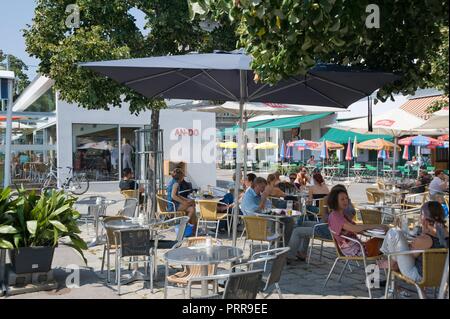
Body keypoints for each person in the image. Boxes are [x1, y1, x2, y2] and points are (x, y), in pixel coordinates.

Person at [380, 201, 448, 283]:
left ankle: (390, 261)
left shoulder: (425, 239)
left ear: (424, 218)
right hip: (441, 276)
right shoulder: (445, 234)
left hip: (418, 276)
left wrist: (418, 236)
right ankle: (391, 262)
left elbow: (409, 256)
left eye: (421, 215)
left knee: (394, 232)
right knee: (398, 243)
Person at [287, 184, 354, 263]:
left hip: (326, 231)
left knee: (297, 231)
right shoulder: (347, 205)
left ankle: (289, 256)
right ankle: (302, 253)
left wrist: (325, 205)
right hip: (324, 227)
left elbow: (326, 219)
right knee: (303, 223)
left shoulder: (341, 207)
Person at [328, 186, 389, 257]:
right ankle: (389, 264)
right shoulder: (336, 217)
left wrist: (372, 229)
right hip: (356, 251)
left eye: (346, 198)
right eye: (342, 199)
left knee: (384, 240)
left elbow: (356, 228)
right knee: (387, 242)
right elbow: (354, 228)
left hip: (356, 247)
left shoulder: (340, 214)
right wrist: (377, 226)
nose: (345, 201)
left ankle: (388, 264)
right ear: (335, 201)